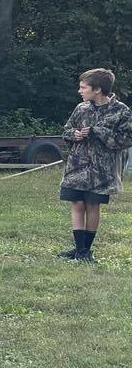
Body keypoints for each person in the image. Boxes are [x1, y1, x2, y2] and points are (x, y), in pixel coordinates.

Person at [57, 68, 132, 263]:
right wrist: (74, 134)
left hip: (102, 170)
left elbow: (126, 139)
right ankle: (80, 250)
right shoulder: (81, 108)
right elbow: (66, 130)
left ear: (97, 89)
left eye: (83, 87)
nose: (80, 91)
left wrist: (99, 132)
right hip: (77, 166)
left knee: (92, 205)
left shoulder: (121, 111)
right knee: (77, 203)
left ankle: (86, 250)